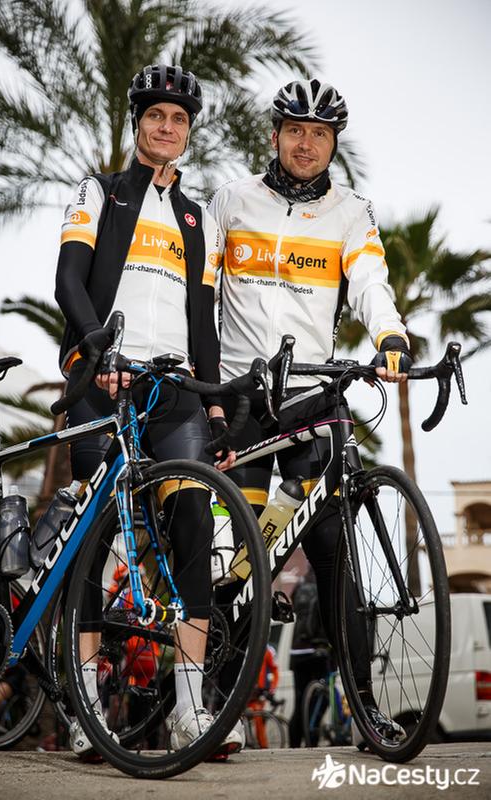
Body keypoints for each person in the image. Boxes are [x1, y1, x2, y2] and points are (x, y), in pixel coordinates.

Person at [208, 77, 412, 745]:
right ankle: (218, 709)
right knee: (236, 558)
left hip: (311, 399)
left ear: (332, 144)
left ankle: (365, 709)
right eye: (295, 130)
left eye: (319, 134)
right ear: (274, 135)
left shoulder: (351, 212)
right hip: (239, 402)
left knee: (334, 559)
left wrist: (389, 334)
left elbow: (370, 280)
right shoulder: (232, 200)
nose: (305, 143)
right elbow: (199, 291)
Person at [55, 63, 241, 759]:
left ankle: (192, 710)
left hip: (173, 389)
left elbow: (204, 321)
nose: (167, 127)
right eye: (156, 116)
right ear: (137, 124)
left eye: (179, 119)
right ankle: (86, 711)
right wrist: (96, 349)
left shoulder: (197, 219)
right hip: (102, 380)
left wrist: (216, 410)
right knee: (95, 539)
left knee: (192, 520)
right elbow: (68, 280)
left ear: (189, 133)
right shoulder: (99, 192)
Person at [288, 570, 329, 747]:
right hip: (317, 649)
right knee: (321, 698)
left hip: (296, 651)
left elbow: (294, 609)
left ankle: (294, 744)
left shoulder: (300, 585)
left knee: (300, 701)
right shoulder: (325, 583)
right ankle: (312, 739)